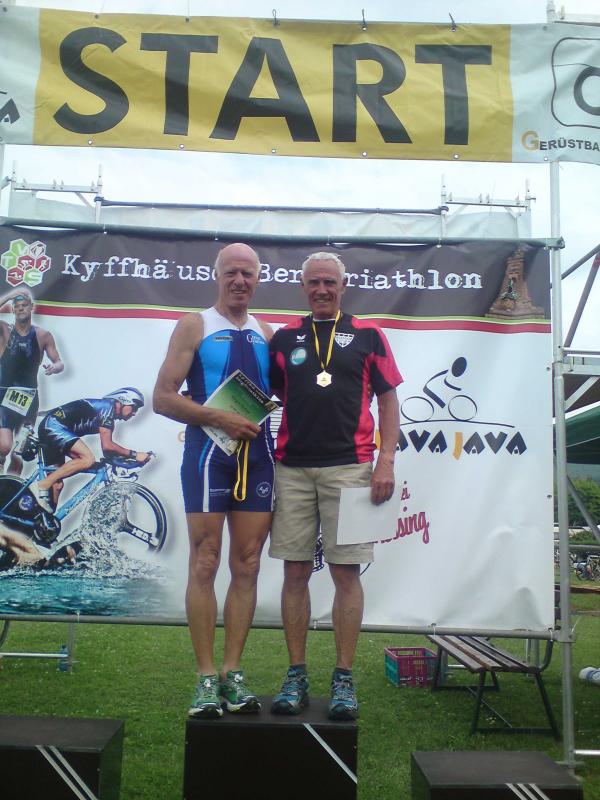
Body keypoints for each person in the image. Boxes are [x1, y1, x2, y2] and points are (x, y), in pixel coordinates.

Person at [269, 251, 401, 721]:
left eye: (330, 282)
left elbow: (388, 399)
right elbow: (270, 395)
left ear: (343, 286)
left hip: (351, 467)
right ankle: (296, 675)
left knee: (346, 574)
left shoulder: (369, 335)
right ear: (303, 287)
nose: (322, 289)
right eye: (314, 283)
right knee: (295, 573)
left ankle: (344, 678)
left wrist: (386, 460)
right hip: (293, 469)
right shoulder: (284, 338)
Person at [153, 242, 274, 719]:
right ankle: (205, 677)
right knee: (205, 561)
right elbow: (163, 398)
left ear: (258, 279)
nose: (239, 280)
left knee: (248, 563)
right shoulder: (195, 325)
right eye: (231, 272)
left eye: (248, 273)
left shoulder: (267, 332)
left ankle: (232, 672)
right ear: (217, 276)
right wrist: (217, 418)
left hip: (257, 458)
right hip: (207, 457)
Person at [32, 387, 150, 510]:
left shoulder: (108, 414)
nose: (134, 413)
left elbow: (108, 452)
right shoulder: (107, 408)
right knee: (87, 459)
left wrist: (128, 461)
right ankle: (41, 485)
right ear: (123, 400)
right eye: (134, 407)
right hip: (54, 426)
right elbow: (108, 446)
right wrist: (135, 454)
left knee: (56, 485)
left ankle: (43, 518)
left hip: (52, 427)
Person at [0, 288, 64, 475]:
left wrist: (55, 367)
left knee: (19, 452)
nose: (21, 308)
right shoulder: (5, 330)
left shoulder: (43, 335)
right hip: (4, 394)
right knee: (4, 446)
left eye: (24, 305)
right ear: (12, 309)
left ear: (31, 307)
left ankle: (10, 488)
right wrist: (9, 296)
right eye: (17, 306)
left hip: (28, 398)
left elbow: (59, 362)